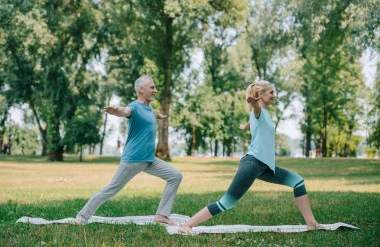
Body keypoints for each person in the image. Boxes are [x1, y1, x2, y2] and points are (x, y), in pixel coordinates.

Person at [179, 81, 323, 234]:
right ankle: (187, 225)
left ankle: (311, 223)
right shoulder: (258, 110)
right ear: (260, 95)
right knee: (226, 202)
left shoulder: (263, 114)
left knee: (297, 182)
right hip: (252, 164)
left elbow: (255, 119)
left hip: (264, 166)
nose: (274, 95)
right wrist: (254, 103)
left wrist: (246, 126)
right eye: (271, 92)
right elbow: (256, 110)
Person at [72, 76, 183, 225]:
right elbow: (125, 111)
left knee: (175, 176)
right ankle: (81, 217)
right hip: (133, 159)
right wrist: (116, 110)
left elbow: (151, 114)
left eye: (155, 87)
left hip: (149, 159)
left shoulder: (148, 109)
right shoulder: (135, 107)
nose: (155, 90)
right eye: (152, 87)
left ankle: (162, 215)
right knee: (110, 190)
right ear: (140, 90)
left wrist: (158, 115)